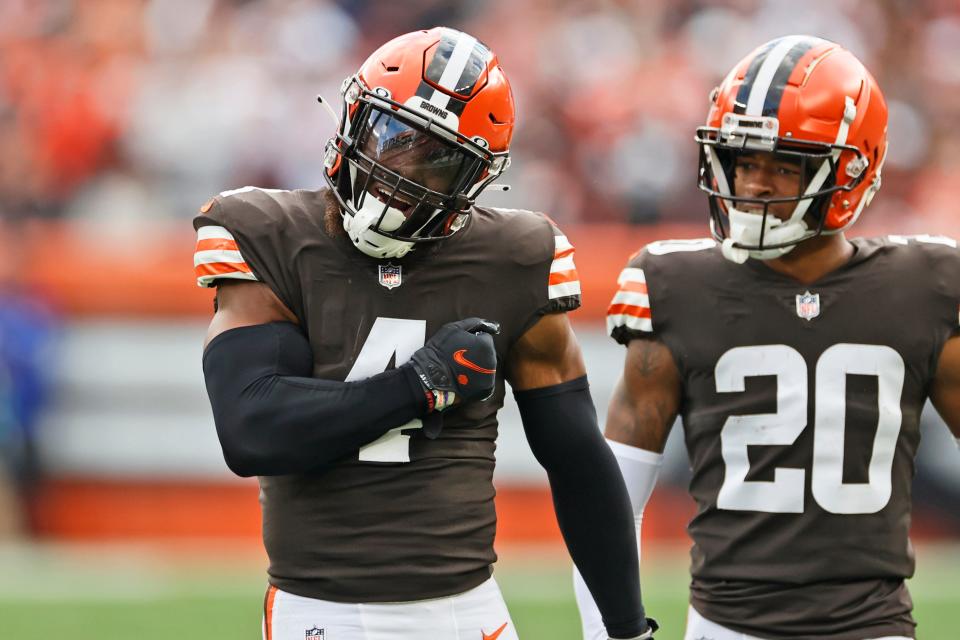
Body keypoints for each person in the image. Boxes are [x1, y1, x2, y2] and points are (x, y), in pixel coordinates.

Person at [193, 28, 655, 640]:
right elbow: (252, 429)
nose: (402, 171)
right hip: (322, 614)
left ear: (475, 181)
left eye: (439, 159)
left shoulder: (512, 256)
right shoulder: (271, 235)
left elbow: (576, 458)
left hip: (468, 613)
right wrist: (419, 384)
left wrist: (626, 629)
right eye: (394, 137)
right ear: (353, 119)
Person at [575, 35, 960, 640]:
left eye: (784, 165)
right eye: (743, 159)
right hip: (725, 627)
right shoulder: (676, 283)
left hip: (871, 626)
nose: (753, 184)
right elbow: (609, 494)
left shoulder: (926, 285)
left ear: (852, 170)